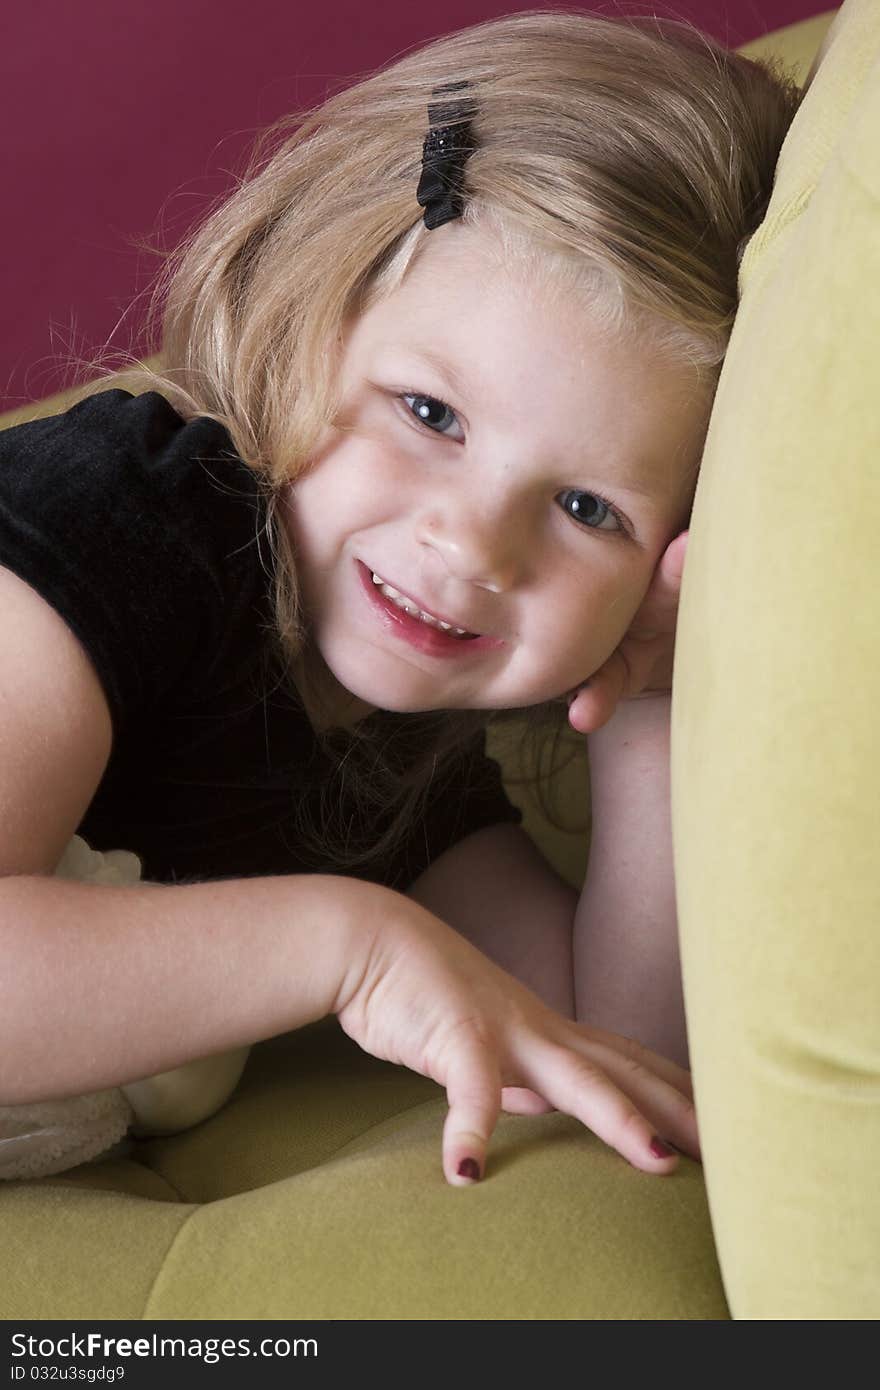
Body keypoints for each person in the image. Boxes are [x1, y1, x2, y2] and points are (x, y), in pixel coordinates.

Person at [0, 9, 800, 1187]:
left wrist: (653, 690)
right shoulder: (122, 514)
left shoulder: (397, 766)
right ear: (305, 307)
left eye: (589, 511)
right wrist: (352, 949)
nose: (474, 547)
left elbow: (623, 1062)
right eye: (430, 415)